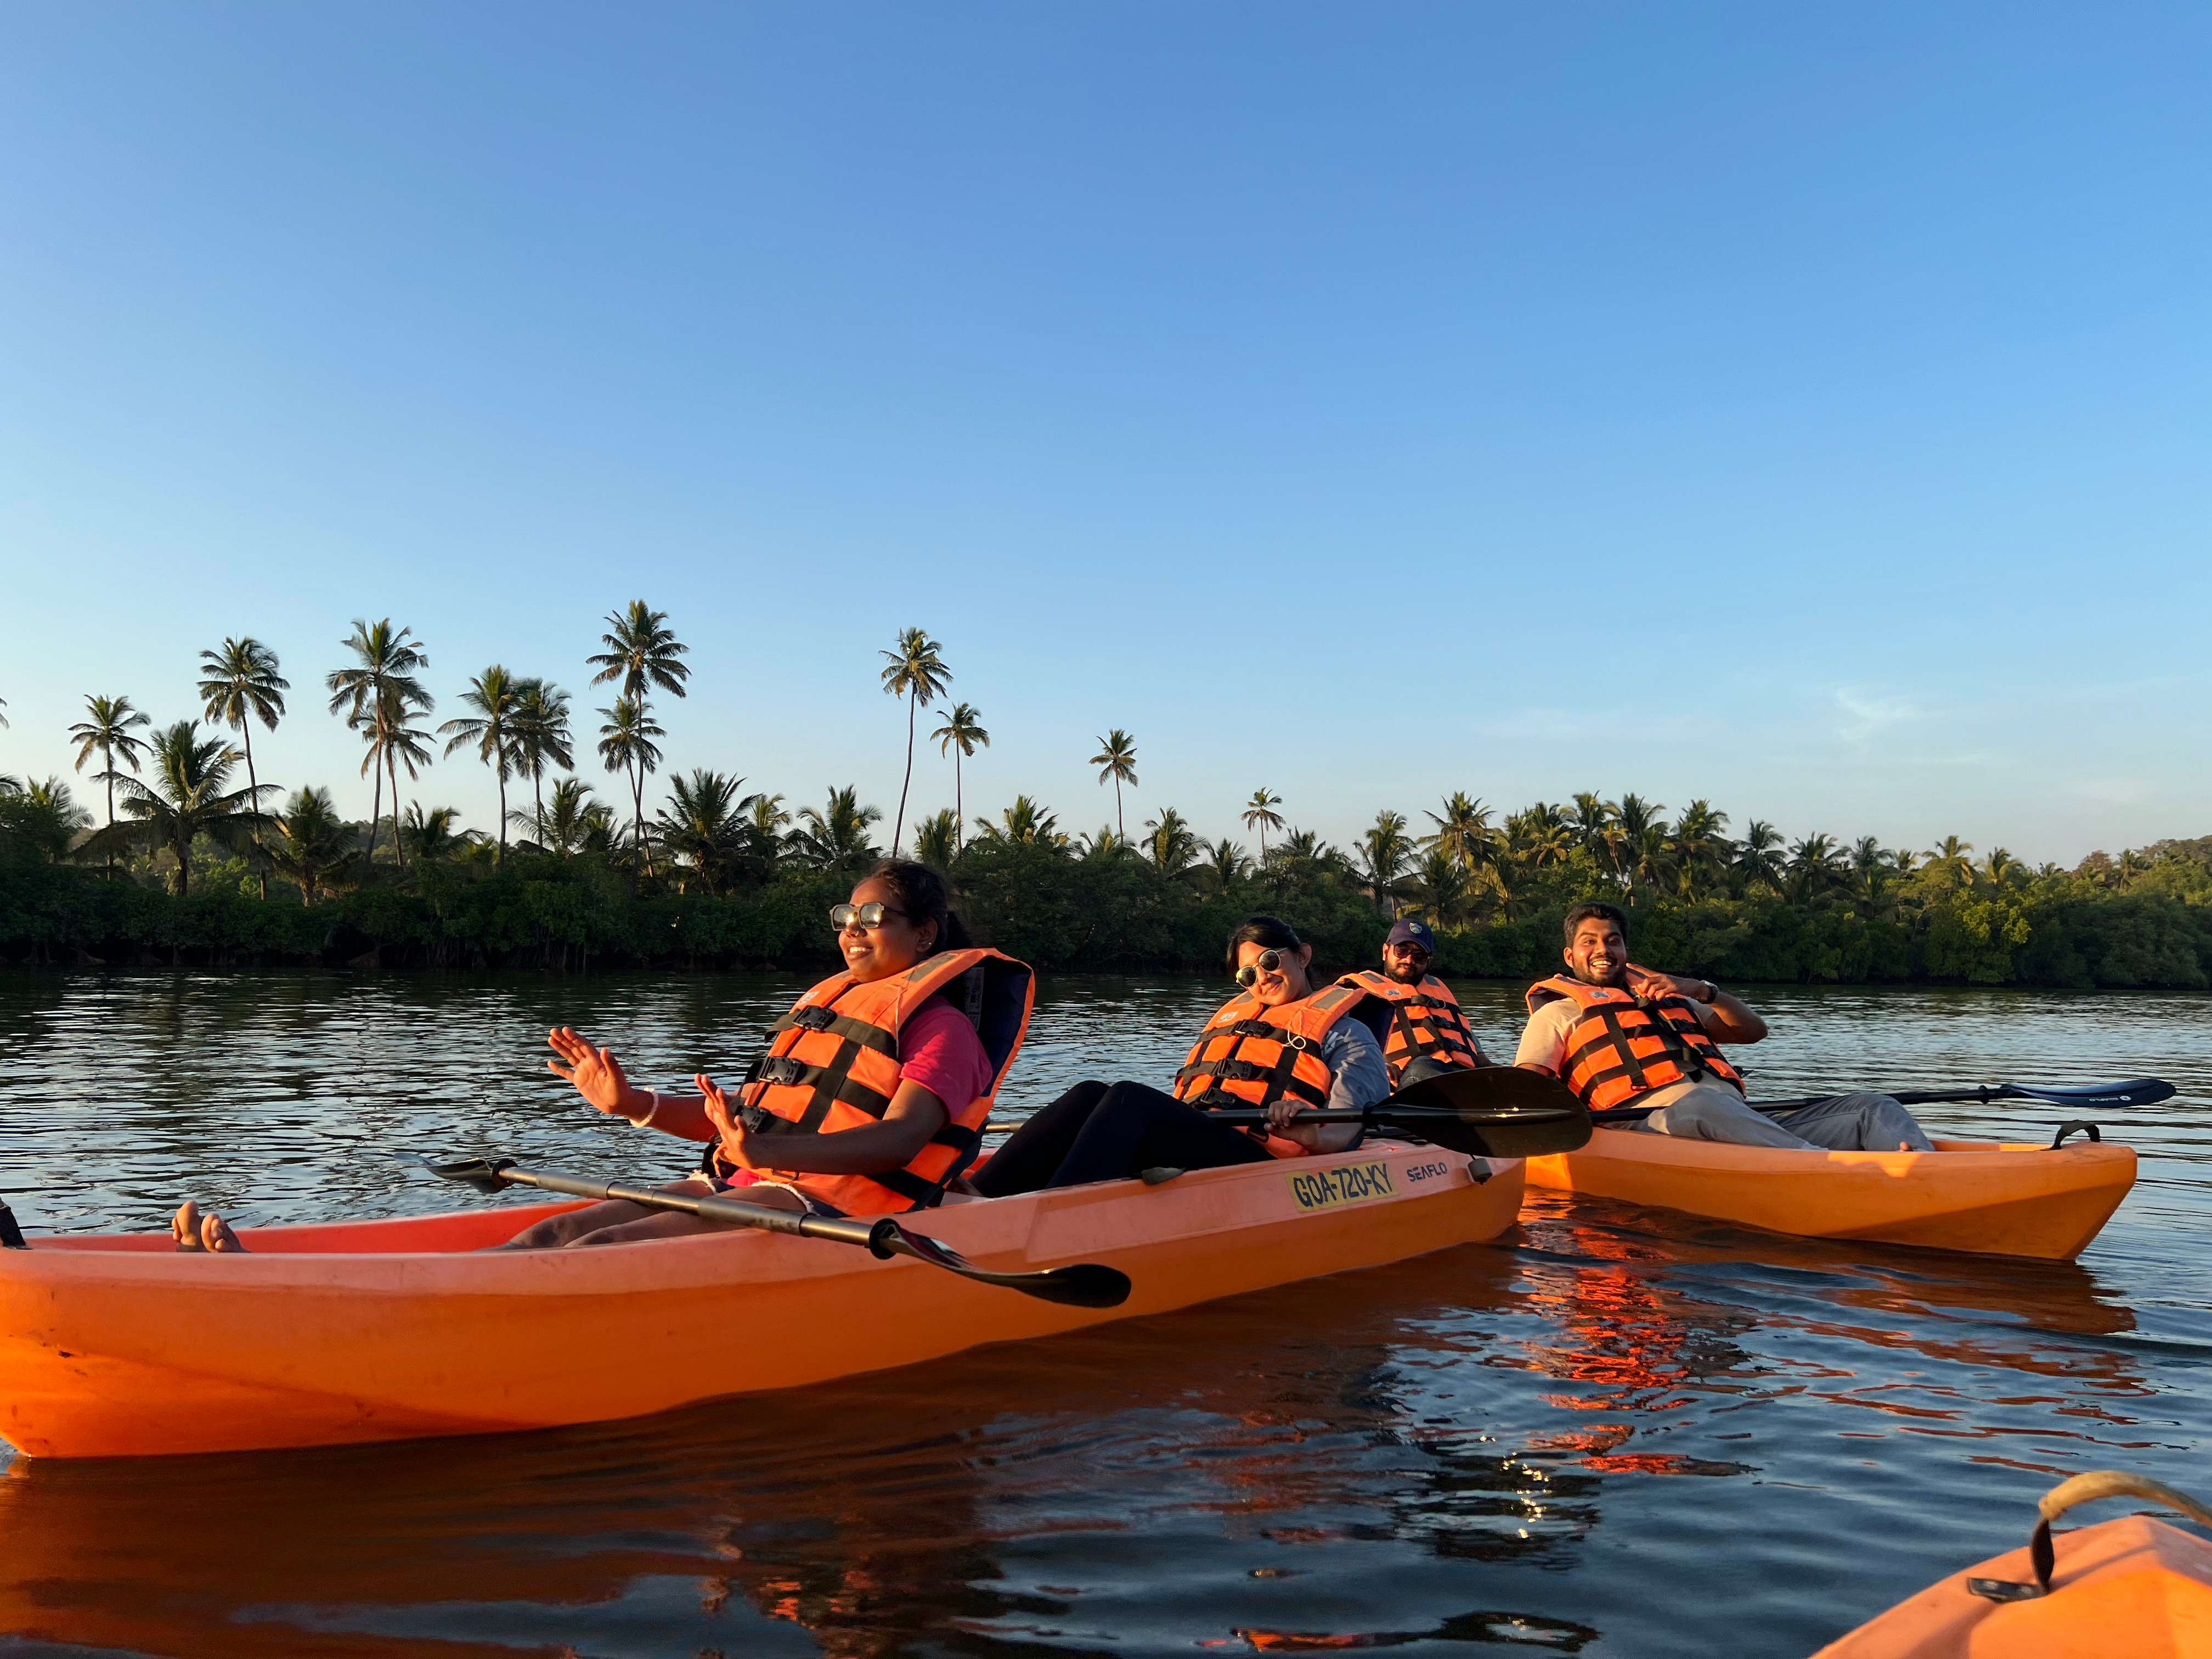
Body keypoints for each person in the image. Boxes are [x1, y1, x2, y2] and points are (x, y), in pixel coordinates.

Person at [172, 860, 1034, 1251]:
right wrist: (632, 1105)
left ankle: (323, 1313)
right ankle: (300, 1286)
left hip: (824, 1220)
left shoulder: (941, 1032)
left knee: (593, 1249)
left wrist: (767, 1155)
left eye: (873, 918)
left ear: (923, 934)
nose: (852, 931)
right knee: (556, 1226)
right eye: (844, 916)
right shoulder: (830, 1009)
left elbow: (894, 1140)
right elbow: (743, 1128)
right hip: (752, 1189)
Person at [971, 915, 1392, 1196]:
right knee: (1089, 1091)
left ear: (1302, 955)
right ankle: (978, 1193)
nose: (1261, 977)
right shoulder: (1236, 1017)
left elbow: (1348, 1125)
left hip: (1260, 1162)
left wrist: (1311, 1133)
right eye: (1247, 974)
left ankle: (1051, 1212)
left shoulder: (1347, 1034)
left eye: (1270, 960)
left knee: (1128, 1098)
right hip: (1204, 1139)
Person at [1515, 901, 1933, 1151]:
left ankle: (1921, 1169)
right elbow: (1528, 1088)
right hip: (1646, 1128)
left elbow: (1753, 1031)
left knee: (1873, 1107)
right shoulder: (1558, 1014)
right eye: (1590, 941)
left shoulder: (1669, 999)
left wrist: (1703, 990)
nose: (1603, 949)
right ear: (1570, 957)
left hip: (1736, 1119)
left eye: (1612, 940)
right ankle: (1825, 1168)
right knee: (1704, 1104)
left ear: (1626, 949)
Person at [1338, 918, 1489, 1087]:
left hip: (1460, 1077)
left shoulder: (1439, 992)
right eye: (1402, 950)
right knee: (1421, 1066)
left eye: (1420, 956)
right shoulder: (1359, 992)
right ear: (1385, 951)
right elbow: (1335, 1048)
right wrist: (1379, 1065)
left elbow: (1475, 1050)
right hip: (1405, 1084)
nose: (1410, 960)